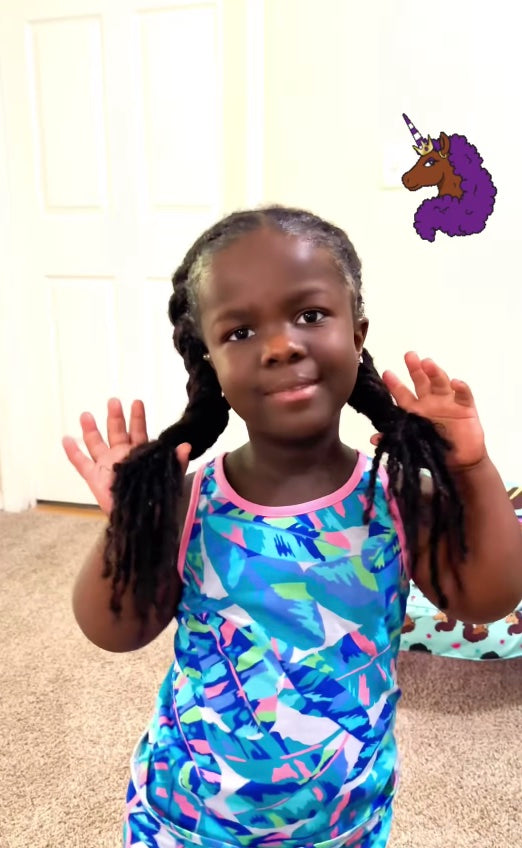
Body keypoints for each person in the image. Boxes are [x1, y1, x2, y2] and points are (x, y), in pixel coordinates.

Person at [62, 206, 522, 848]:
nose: (280, 345)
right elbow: (114, 630)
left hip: (346, 823)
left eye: (310, 315)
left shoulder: (396, 497)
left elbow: (491, 595)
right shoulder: (192, 500)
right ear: (210, 362)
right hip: (189, 822)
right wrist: (131, 528)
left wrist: (471, 468)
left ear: (358, 333)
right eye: (241, 331)